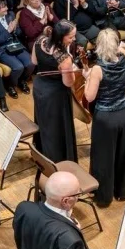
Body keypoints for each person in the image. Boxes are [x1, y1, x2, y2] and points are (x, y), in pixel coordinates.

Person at [82, 29, 125, 206]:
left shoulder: (98, 69)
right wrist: (122, 48)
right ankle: (123, 191)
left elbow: (89, 97)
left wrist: (87, 78)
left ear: (99, 46)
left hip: (106, 118)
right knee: (124, 153)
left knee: (103, 157)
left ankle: (103, 196)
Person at [33, 21, 80, 163]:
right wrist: (70, 64)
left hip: (40, 87)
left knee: (44, 122)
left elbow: (34, 61)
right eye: (71, 37)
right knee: (56, 128)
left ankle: (41, 153)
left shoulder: (39, 40)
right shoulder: (64, 59)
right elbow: (68, 82)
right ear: (61, 37)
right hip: (55, 94)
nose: (74, 40)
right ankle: (57, 160)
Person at [0, 0, 37, 94]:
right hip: (2, 49)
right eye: (3, 7)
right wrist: (8, 31)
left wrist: (15, 29)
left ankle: (22, 81)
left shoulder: (11, 15)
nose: (6, 8)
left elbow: (19, 33)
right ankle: (11, 85)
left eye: (6, 6)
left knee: (31, 63)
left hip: (15, 45)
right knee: (18, 67)